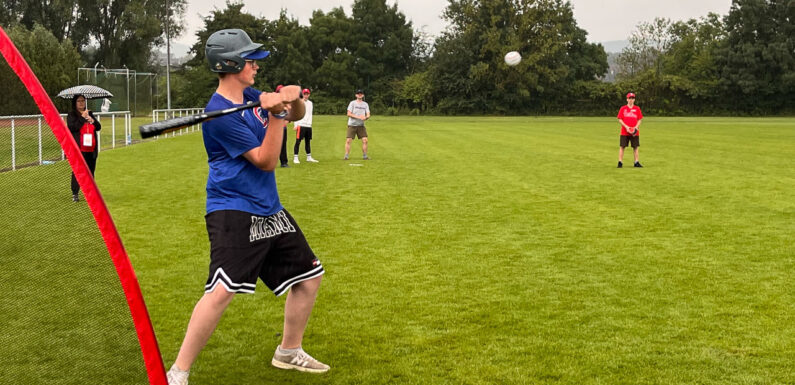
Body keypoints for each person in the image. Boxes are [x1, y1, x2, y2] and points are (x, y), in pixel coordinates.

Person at [166, 29, 329, 385]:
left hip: (269, 208)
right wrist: (276, 116)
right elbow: (268, 160)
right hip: (233, 208)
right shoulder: (219, 113)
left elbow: (294, 111)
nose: (255, 65)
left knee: (310, 277)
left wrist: (292, 99)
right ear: (230, 63)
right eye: (249, 59)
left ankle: (288, 350)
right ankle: (177, 373)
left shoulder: (251, 94)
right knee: (222, 290)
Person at [66, 94, 101, 202]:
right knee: (77, 171)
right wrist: (82, 117)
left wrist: (91, 120)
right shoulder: (72, 115)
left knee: (91, 171)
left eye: (83, 101)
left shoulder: (90, 113)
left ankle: (90, 193)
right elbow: (73, 127)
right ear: (75, 103)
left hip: (91, 148)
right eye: (79, 101)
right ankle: (75, 193)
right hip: (79, 148)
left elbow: (98, 127)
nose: (81, 103)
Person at [617, 92, 643, 168]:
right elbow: (620, 119)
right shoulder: (623, 108)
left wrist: (636, 127)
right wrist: (626, 127)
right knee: (622, 146)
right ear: (627, 99)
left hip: (635, 132)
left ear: (634, 100)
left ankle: (636, 162)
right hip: (624, 131)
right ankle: (620, 162)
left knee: (635, 147)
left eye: (632, 98)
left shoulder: (637, 109)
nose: (631, 100)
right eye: (629, 98)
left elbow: (639, 119)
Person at [343, 89, 370, 160]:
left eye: (361, 93)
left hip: (361, 125)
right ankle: (346, 156)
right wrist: (359, 117)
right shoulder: (352, 103)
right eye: (358, 93)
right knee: (348, 140)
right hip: (352, 125)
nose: (359, 95)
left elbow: (368, 114)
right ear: (356, 95)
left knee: (365, 140)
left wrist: (366, 117)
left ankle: (365, 156)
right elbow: (348, 114)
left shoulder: (365, 104)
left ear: (363, 95)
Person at [293, 88, 318, 164]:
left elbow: (310, 114)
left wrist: (310, 123)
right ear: (302, 94)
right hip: (301, 124)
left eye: (307, 94)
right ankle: (295, 158)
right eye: (304, 94)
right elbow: (296, 113)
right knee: (298, 141)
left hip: (308, 125)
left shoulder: (310, 103)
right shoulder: (299, 103)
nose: (306, 96)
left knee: (308, 141)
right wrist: (296, 124)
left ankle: (309, 157)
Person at [275, 84, 290, 167]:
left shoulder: (285, 103)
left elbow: (289, 114)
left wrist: (287, 121)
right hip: (274, 127)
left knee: (283, 145)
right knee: (273, 145)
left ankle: (284, 162)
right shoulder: (274, 102)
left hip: (283, 127)